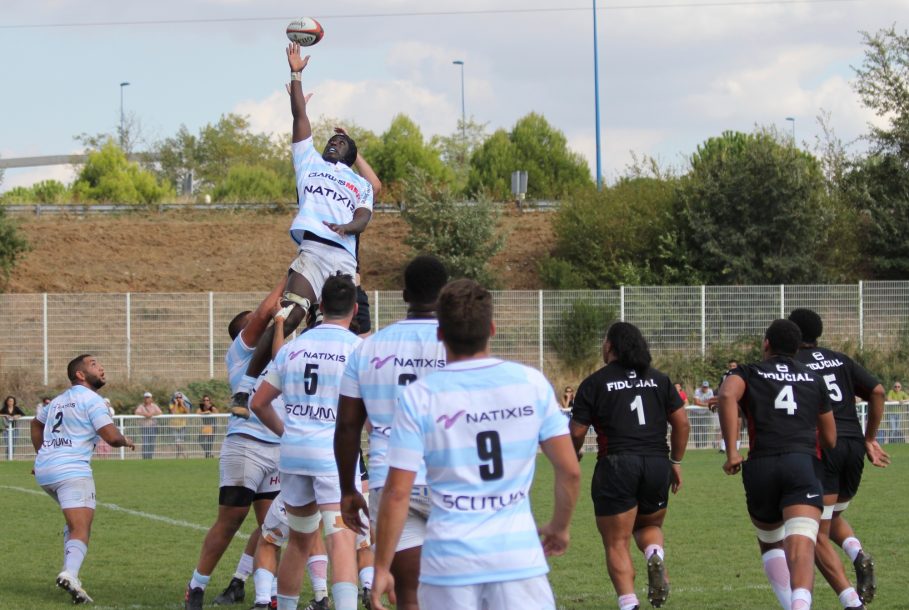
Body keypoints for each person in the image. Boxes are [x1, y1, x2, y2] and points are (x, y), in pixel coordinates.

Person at [370, 279, 581, 610]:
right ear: (492, 328)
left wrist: (381, 566)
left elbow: (397, 492)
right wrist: (559, 527)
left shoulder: (419, 396)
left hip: (448, 564)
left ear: (440, 334)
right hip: (517, 560)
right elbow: (570, 471)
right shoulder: (531, 384)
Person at [228, 42, 377, 413]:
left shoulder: (358, 182)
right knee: (289, 314)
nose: (334, 141)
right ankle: (246, 388)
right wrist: (296, 74)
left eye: (341, 141)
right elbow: (299, 117)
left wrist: (348, 225)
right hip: (313, 252)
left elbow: (365, 214)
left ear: (351, 153)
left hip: (344, 262)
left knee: (347, 333)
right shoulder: (309, 161)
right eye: (332, 139)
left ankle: (339, 400)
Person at [334, 255, 450, 610]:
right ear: (445, 295)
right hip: (452, 476)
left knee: (409, 597)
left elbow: (348, 425)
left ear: (403, 295)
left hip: (391, 479)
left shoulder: (368, 348)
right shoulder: (459, 344)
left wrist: (349, 489)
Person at [250, 273, 363, 610]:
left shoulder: (293, 348)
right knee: (341, 540)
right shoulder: (359, 349)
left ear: (321, 306)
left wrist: (288, 433)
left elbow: (258, 403)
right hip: (334, 456)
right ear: (355, 309)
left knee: (298, 542)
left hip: (295, 454)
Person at [569, 322, 690, 610]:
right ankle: (653, 553)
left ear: (610, 346)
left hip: (618, 464)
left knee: (616, 541)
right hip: (657, 463)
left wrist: (573, 455)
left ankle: (629, 603)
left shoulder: (595, 382)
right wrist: (675, 461)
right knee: (649, 524)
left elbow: (576, 432)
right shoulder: (659, 379)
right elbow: (682, 423)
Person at [717, 319, 836, 610]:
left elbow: (726, 394)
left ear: (766, 343)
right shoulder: (812, 377)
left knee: (771, 542)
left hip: (761, 466)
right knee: (802, 544)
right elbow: (831, 438)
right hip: (801, 464)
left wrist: (732, 450)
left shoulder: (748, 371)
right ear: (797, 348)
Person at [184, 281, 285, 610]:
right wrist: (296, 272)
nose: (267, 323)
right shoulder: (241, 353)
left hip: (278, 448)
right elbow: (265, 311)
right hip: (247, 446)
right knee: (231, 520)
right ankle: (196, 586)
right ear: (243, 333)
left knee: (272, 527)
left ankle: (263, 594)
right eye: (256, 323)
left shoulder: (282, 351)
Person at [789, 308, 888, 607]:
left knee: (816, 532)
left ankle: (851, 600)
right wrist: (869, 437)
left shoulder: (793, 363)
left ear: (793, 333)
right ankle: (857, 552)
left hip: (823, 447)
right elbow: (878, 391)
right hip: (854, 447)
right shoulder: (841, 359)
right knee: (833, 517)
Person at [30, 354, 135, 604]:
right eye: (94, 364)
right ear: (80, 374)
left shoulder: (57, 401)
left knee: (74, 523)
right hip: (71, 471)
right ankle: (71, 574)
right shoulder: (92, 400)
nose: (101, 367)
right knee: (81, 527)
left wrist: (44, 453)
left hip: (46, 471)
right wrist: (125, 440)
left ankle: (72, 576)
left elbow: (35, 424)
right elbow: (110, 436)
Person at [135, 392, 162, 460]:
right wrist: (145, 414)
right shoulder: (141, 406)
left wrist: (151, 414)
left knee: (152, 443)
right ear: (144, 399)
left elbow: (160, 412)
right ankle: (145, 457)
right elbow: (137, 412)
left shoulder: (154, 406)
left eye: (148, 397)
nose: (147, 399)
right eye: (146, 397)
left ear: (151, 398)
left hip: (153, 427)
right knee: (145, 443)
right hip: (144, 427)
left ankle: (150, 457)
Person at [169, 392, 191, 458]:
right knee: (177, 441)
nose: (178, 399)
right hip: (173, 425)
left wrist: (182, 404)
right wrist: (176, 404)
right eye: (177, 397)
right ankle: (184, 454)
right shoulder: (172, 404)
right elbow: (173, 413)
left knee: (181, 441)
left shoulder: (184, 404)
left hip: (182, 425)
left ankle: (178, 454)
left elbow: (187, 413)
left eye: (180, 397)